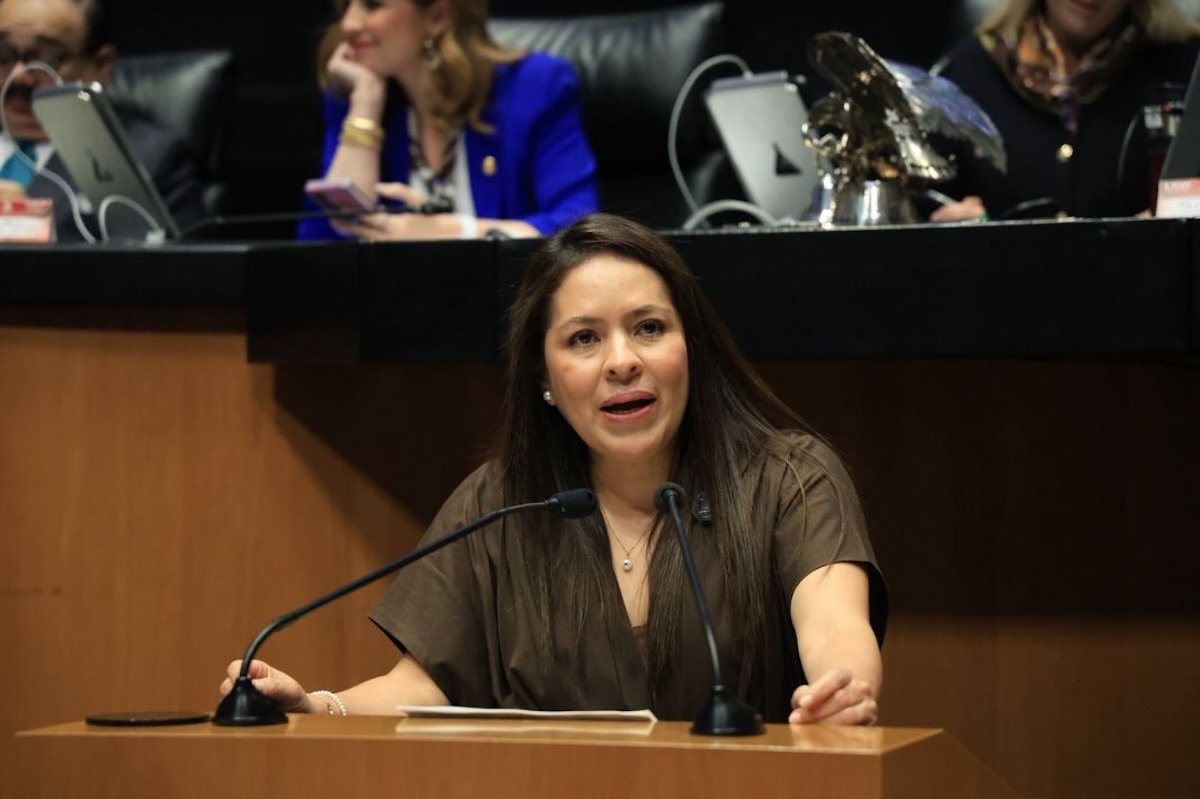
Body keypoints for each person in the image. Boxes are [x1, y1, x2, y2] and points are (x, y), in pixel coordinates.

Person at [222, 213, 888, 725]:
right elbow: (420, 688)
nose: (622, 361)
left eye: (649, 327)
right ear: (544, 377)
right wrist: (317, 707)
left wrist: (841, 688)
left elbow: (834, 625)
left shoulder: (788, 479)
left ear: (692, 346)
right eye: (584, 338)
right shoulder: (501, 502)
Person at [297, 0, 599, 242]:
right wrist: (366, 103)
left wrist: (450, 231)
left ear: (437, 16)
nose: (348, 24)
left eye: (373, 5)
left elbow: (578, 232)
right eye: (345, 6)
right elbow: (321, 244)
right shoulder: (358, 97)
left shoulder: (534, 87)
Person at [930, 0, 1200, 221]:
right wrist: (946, 227)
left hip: (1148, 270)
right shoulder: (963, 74)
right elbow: (923, 208)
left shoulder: (1186, 68)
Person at [0, 0, 206, 240]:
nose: (20, 77)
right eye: (3, 56)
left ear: (102, 65)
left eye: (46, 61)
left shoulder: (148, 161)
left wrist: (27, 227)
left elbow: (180, 261)